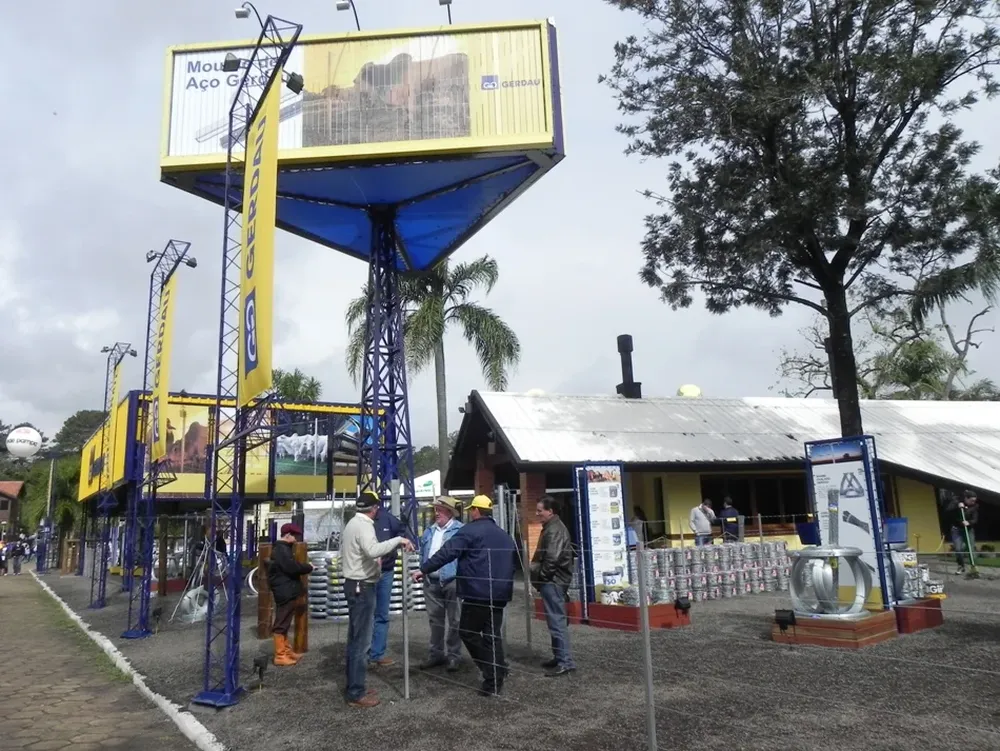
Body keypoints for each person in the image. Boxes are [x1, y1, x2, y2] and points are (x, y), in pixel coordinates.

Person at [414, 494, 517, 698]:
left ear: (476, 511)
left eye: (472, 510)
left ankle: (492, 674)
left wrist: (423, 569)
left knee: (468, 632)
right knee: (491, 635)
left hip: (477, 592)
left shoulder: (468, 531)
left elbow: (447, 553)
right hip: (499, 593)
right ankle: (497, 672)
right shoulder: (503, 535)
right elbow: (512, 562)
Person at [340, 491, 414, 708]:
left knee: (355, 639)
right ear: (374, 508)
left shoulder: (353, 523)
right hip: (362, 586)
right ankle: (356, 693)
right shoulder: (364, 525)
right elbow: (372, 550)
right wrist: (398, 540)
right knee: (361, 642)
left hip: (354, 584)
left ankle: (355, 685)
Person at [530, 494, 577, 677]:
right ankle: (559, 657)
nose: (537, 513)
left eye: (540, 510)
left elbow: (552, 558)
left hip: (553, 581)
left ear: (551, 511)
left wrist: (542, 577)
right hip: (553, 580)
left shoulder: (555, 530)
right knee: (554, 620)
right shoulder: (551, 527)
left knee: (557, 621)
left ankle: (565, 661)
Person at [418, 496, 465, 672]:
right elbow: (424, 553)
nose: (436, 512)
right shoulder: (429, 532)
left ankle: (454, 655)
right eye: (435, 509)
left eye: (440, 509)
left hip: (452, 580)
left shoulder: (460, 531)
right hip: (431, 581)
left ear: (450, 512)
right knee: (435, 620)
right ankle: (436, 654)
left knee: (455, 620)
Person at [368, 503, 411, 668]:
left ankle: (377, 654)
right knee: (365, 614)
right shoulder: (361, 522)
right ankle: (362, 653)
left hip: (386, 572)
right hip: (366, 573)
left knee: (382, 614)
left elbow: (402, 531)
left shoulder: (387, 519)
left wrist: (399, 544)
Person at [266, 523, 313, 666]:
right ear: (287, 535)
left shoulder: (282, 548)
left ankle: (286, 650)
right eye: (295, 535)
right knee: (281, 622)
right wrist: (308, 567)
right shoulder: (282, 550)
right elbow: (291, 567)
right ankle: (280, 655)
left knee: (284, 621)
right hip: (285, 590)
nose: (297, 538)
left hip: (286, 589)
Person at [946, 489, 979, 574]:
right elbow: (948, 511)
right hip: (956, 530)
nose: (973, 502)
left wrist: (969, 522)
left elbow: (975, 519)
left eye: (974, 501)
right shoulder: (956, 502)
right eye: (971, 500)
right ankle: (961, 566)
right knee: (958, 549)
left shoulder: (974, 506)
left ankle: (973, 567)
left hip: (968, 530)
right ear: (966, 499)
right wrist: (957, 505)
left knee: (971, 549)